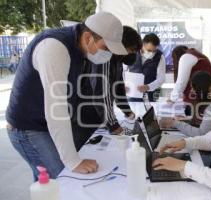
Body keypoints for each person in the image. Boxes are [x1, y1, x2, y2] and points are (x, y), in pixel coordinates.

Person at [6, 11, 127, 180]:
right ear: (87, 38)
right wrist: (73, 161)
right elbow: (57, 108)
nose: (108, 54)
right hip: (28, 127)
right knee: (64, 178)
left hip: (44, 124)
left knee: (46, 182)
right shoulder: (54, 47)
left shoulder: (80, 50)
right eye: (106, 48)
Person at [72, 26, 143, 150]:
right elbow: (100, 95)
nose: (131, 54)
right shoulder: (105, 57)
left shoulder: (117, 59)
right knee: (84, 155)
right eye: (131, 50)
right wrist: (113, 125)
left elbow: (118, 87)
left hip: (99, 117)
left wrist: (127, 112)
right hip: (85, 118)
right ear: (121, 45)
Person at [159, 71, 211, 137]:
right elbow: (203, 122)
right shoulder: (207, 103)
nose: (191, 90)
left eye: (193, 88)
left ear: (201, 89)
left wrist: (175, 123)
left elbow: (201, 134)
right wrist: (187, 119)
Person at [168, 45, 211, 124]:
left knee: (195, 123)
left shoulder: (186, 57)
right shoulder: (197, 55)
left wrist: (172, 99)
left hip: (196, 100)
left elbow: (181, 82)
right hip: (203, 98)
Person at [124, 33, 166, 102]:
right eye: (149, 50)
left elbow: (161, 78)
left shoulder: (160, 57)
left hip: (151, 94)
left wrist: (148, 87)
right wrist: (123, 84)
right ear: (142, 44)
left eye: (154, 50)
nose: (152, 53)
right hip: (132, 93)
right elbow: (123, 71)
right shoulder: (132, 53)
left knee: (151, 111)